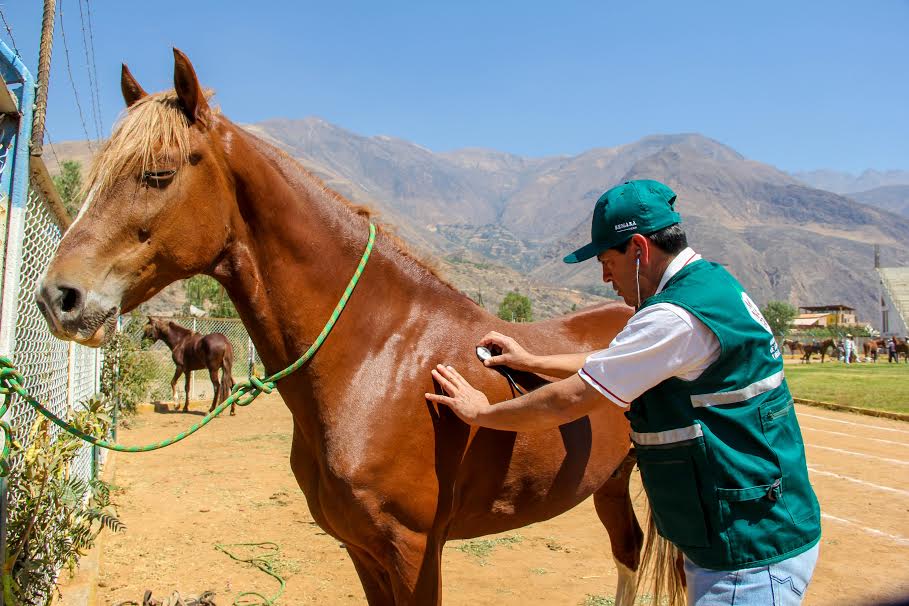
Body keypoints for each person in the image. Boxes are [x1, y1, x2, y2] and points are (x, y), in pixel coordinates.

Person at [426, 180, 821, 605]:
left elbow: (572, 398)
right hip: (752, 530)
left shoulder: (675, 317)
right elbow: (623, 359)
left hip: (747, 557)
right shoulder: (709, 288)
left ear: (638, 249)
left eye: (606, 260)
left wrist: (483, 413)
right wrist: (533, 361)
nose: (604, 275)